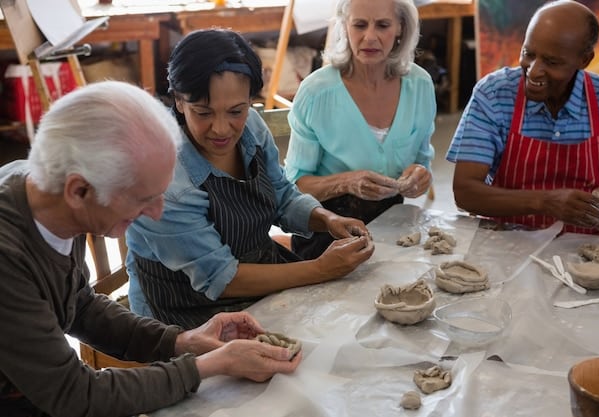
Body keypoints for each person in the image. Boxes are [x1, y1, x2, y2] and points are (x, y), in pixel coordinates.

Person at [0, 81, 302, 417]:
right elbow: (74, 395)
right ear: (78, 190)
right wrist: (204, 366)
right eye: (144, 198)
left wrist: (181, 342)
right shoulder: (8, 259)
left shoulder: (42, 190)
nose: (158, 213)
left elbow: (79, 305)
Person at [125, 29, 374, 330]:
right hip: (187, 305)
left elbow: (281, 194)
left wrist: (326, 219)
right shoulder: (164, 180)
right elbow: (220, 278)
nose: (221, 128)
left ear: (250, 101)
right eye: (203, 113)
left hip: (254, 271)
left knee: (356, 316)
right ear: (179, 101)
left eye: (236, 111)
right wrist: (320, 268)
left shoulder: (251, 128)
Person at [446, 0, 599, 235]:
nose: (533, 70)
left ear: (584, 61)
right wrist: (546, 202)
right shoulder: (493, 94)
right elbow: (466, 193)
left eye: (552, 62)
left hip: (585, 245)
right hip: (507, 240)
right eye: (528, 53)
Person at [283, 0, 437, 260]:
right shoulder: (316, 92)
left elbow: (422, 161)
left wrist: (421, 176)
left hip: (391, 226)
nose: (370, 37)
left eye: (383, 25)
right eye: (360, 25)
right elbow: (295, 186)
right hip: (326, 233)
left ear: (401, 28)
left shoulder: (420, 85)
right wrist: (346, 182)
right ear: (345, 26)